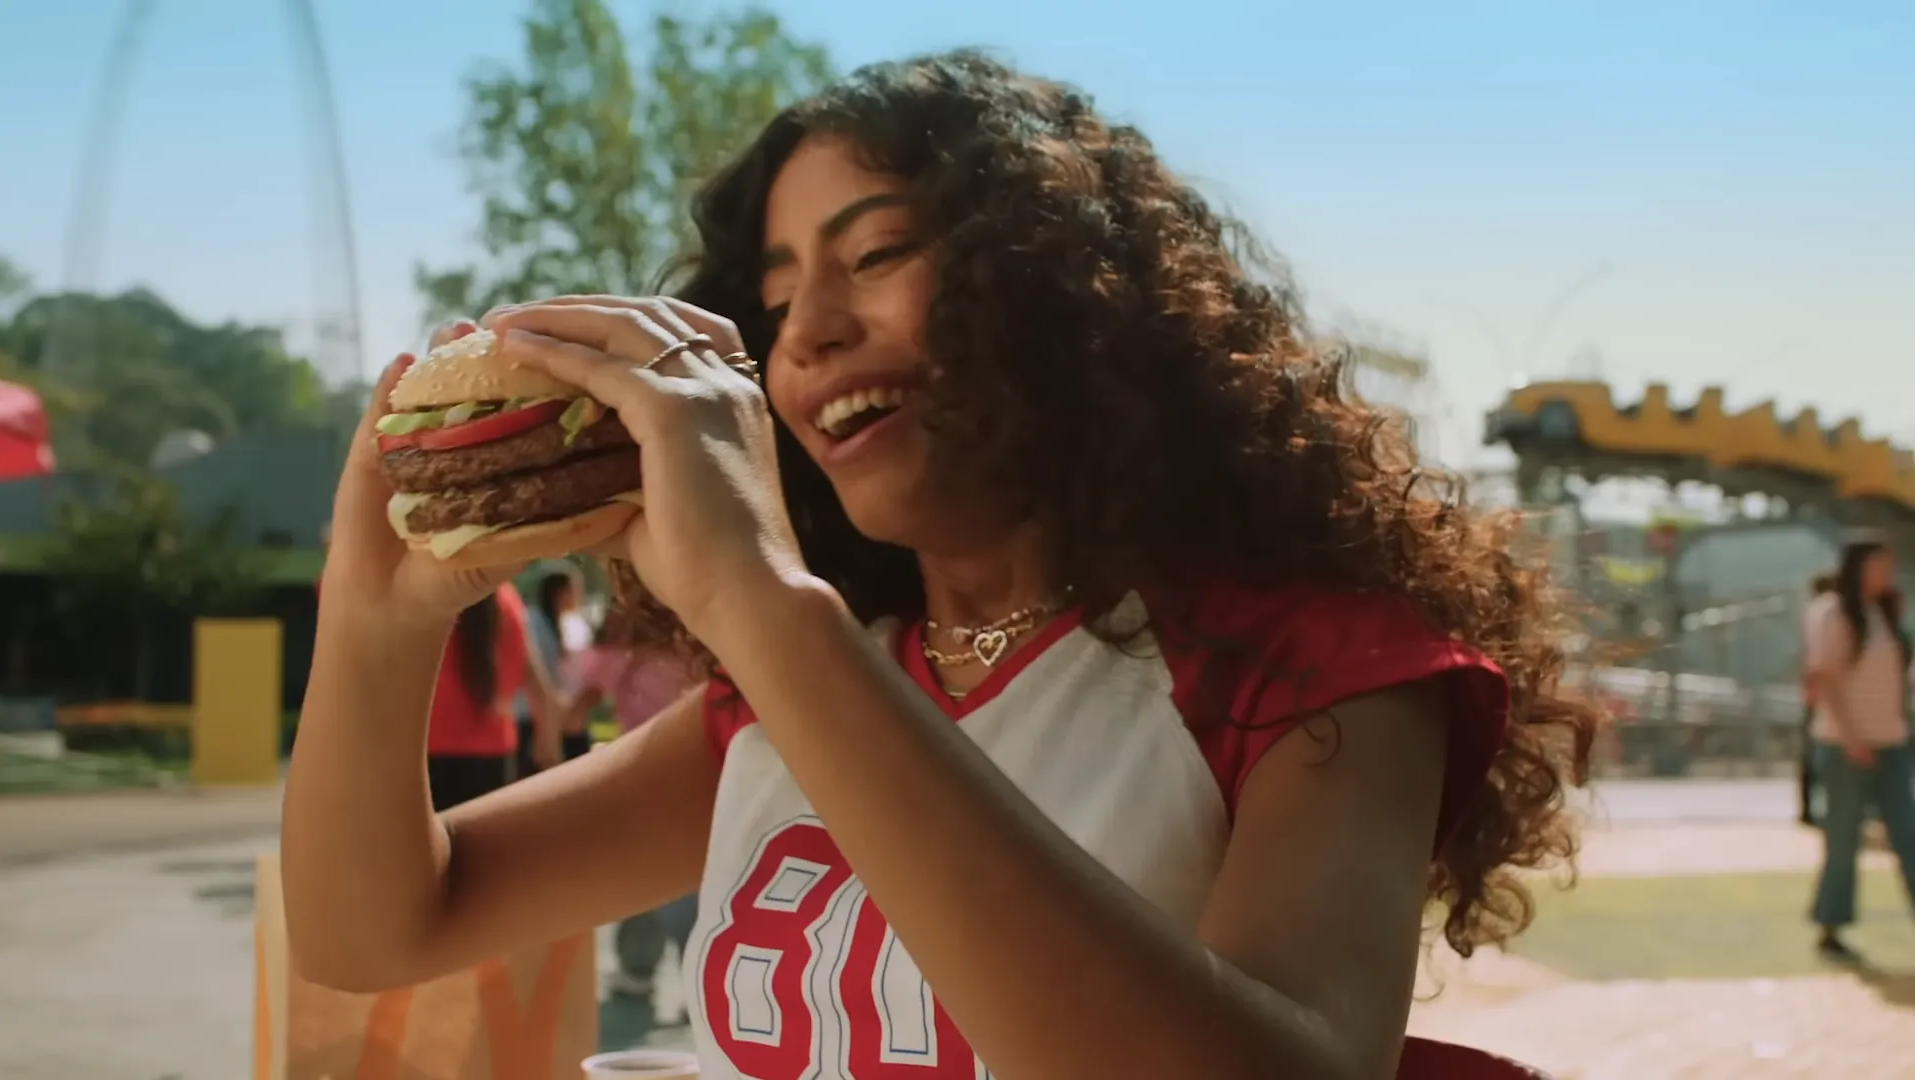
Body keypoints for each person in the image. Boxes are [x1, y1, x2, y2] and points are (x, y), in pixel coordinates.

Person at [285, 52, 1597, 1078]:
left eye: (877, 255)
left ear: (1063, 286)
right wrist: (374, 618)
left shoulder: (1317, 669)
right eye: (778, 292)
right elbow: (377, 928)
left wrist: (759, 598)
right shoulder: (799, 689)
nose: (808, 332)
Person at [563, 633, 699, 1007]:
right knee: (686, 879)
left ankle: (644, 970)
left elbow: (578, 710)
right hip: (698, 768)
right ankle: (681, 974)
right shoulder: (697, 637)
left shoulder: (624, 648)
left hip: (645, 775)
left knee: (649, 881)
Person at [1802, 539, 1915, 964]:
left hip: (1892, 740)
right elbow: (1825, 677)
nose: (1885, 574)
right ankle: (1831, 926)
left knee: (1908, 834)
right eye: (1878, 566)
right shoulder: (1835, 613)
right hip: (1845, 745)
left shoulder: (1885, 615)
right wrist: (1851, 738)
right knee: (1843, 839)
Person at [422, 583, 562, 810]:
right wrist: (547, 744)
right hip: (495, 753)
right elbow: (537, 683)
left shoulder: (433, 596)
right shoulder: (507, 600)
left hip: (431, 749)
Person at [519, 566, 589, 773]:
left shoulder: (570, 626)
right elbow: (538, 676)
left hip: (559, 717)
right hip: (534, 718)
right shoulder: (534, 623)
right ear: (559, 593)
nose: (579, 597)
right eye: (574, 590)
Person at [1799, 571, 1837, 825]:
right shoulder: (1827, 613)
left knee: (1811, 755)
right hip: (1825, 696)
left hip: (1817, 695)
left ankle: (1809, 809)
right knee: (1820, 754)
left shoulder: (1813, 612)